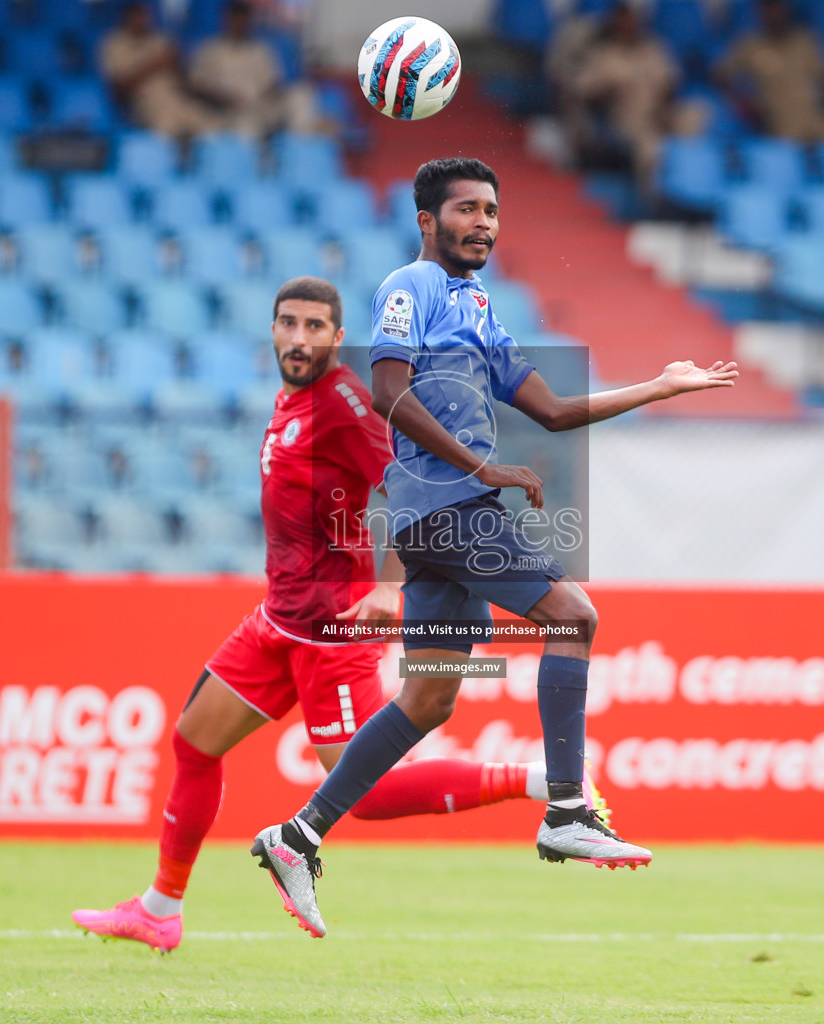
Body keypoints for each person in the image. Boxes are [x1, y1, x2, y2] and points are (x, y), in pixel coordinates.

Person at [250, 158, 740, 938]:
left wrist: (658, 386)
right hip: (446, 507)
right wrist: (481, 465)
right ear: (427, 221)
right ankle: (568, 809)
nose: (484, 222)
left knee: (429, 698)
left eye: (491, 211)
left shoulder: (478, 305)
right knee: (573, 616)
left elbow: (549, 409)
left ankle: (298, 836)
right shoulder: (409, 288)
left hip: (442, 515)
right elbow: (386, 391)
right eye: (468, 209)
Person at [70, 277, 597, 954]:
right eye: (288, 323)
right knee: (194, 742)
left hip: (331, 632)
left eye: (314, 327)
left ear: (336, 336)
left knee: (366, 794)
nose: (298, 337)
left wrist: (388, 586)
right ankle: (159, 909)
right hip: (278, 619)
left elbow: (417, 487)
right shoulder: (294, 398)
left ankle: (541, 781)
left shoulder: (345, 404)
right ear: (272, 328)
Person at [550, 3, 706, 184]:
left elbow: (670, 79)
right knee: (650, 145)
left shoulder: (652, 47)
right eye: (623, 23)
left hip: (660, 111)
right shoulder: (605, 53)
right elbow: (583, 89)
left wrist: (664, 104)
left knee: (697, 114)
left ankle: (693, 182)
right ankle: (655, 198)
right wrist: (608, 92)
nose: (628, 27)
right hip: (627, 116)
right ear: (614, 24)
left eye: (632, 22)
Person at [713, 0, 824, 143]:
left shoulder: (805, 41)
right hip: (778, 122)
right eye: (768, 10)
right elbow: (721, 75)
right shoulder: (749, 45)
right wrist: (743, 102)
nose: (774, 15)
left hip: (815, 116)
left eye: (777, 9)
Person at [185, 0, 320, 138]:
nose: (240, 24)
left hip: (260, 106)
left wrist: (275, 94)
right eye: (236, 20)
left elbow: (272, 84)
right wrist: (223, 99)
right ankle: (250, 154)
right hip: (227, 109)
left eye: (244, 20)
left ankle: (299, 144)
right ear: (226, 21)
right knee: (245, 124)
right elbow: (196, 86)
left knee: (301, 95)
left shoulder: (260, 51)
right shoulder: (210, 50)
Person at [99, 1, 216, 138]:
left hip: (177, 99)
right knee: (169, 130)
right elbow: (119, 89)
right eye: (136, 16)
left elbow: (186, 81)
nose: (141, 20)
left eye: (144, 16)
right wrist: (156, 64)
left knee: (214, 128)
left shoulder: (160, 40)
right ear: (126, 18)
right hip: (146, 105)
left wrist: (179, 63)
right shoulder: (115, 43)